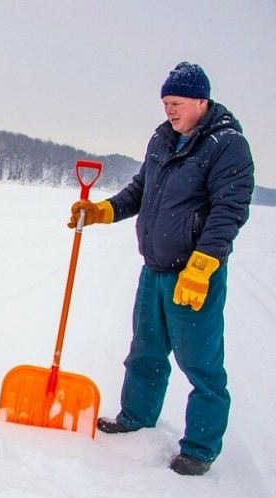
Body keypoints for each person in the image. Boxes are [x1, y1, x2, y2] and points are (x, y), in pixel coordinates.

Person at [69, 62, 254, 475]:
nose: (169, 111)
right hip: (154, 270)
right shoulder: (162, 139)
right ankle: (136, 418)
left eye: (176, 103)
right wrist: (102, 211)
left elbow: (229, 210)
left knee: (201, 364)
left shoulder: (227, 145)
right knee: (145, 352)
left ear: (201, 102)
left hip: (194, 276)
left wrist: (202, 266)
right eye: (165, 103)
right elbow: (141, 190)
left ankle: (200, 448)